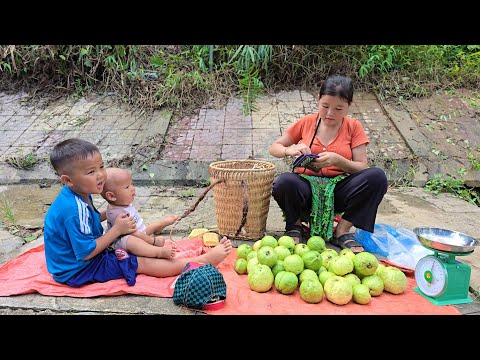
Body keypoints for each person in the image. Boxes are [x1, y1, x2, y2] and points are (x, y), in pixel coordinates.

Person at [43, 138, 233, 287]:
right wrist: (116, 230)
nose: (101, 175)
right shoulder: (73, 209)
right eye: (91, 172)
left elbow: (90, 218)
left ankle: (163, 248)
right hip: (78, 270)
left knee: (135, 242)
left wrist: (109, 214)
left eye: (101, 167)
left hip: (74, 262)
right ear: (68, 180)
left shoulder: (78, 194)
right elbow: (85, 252)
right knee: (139, 262)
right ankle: (200, 261)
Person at [269, 75, 388, 253]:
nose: (330, 113)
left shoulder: (353, 127)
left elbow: (362, 167)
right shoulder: (307, 122)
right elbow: (274, 148)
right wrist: (290, 150)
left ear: (349, 105)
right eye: (325, 106)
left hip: (339, 191)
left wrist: (339, 161)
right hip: (306, 190)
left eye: (338, 108)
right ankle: (294, 226)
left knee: (377, 177)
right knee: (284, 182)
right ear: (318, 99)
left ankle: (342, 231)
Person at [100, 167, 177, 259]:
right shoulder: (118, 215)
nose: (133, 188)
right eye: (127, 187)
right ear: (111, 196)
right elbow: (134, 234)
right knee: (133, 242)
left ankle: (159, 225)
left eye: (132, 184)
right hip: (123, 242)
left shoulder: (120, 203)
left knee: (143, 231)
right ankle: (159, 252)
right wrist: (153, 241)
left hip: (139, 233)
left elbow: (139, 231)